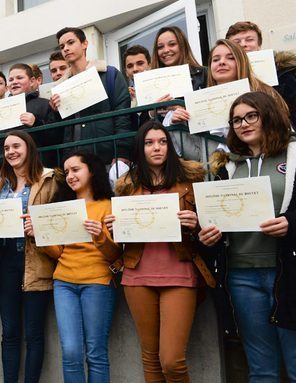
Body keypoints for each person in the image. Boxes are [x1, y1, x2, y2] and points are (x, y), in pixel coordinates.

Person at [201, 91, 296, 382]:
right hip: (241, 275)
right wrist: (208, 235)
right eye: (236, 120)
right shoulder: (226, 167)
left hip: (288, 272)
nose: (243, 124)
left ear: (268, 114)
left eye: (251, 116)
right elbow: (217, 217)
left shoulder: (293, 153)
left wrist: (291, 223)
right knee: (261, 370)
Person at [111, 121, 215, 382]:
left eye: (162, 141)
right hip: (137, 274)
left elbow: (211, 227)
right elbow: (119, 238)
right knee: (151, 358)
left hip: (179, 272)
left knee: (172, 361)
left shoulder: (190, 179)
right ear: (140, 148)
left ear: (169, 145)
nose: (156, 147)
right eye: (149, 143)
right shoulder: (126, 186)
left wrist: (195, 222)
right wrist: (114, 227)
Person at [0, 130, 61, 383]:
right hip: (7, 260)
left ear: (29, 148)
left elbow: (57, 221)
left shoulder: (48, 179)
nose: (10, 151)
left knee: (34, 333)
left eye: (16, 146)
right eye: (6, 148)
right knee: (9, 332)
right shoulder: (0, 181)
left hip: (36, 260)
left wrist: (39, 227)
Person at [26, 151, 121, 383]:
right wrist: (41, 237)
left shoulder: (108, 206)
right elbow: (59, 253)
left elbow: (114, 255)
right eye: (66, 172)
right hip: (64, 282)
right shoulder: (63, 207)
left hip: (98, 282)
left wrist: (100, 236)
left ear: (92, 170)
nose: (70, 176)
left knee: (95, 352)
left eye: (75, 169)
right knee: (70, 352)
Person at [51, 27, 132, 168]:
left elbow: (122, 116)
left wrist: (121, 153)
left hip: (108, 159)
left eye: (71, 43)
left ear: (84, 44)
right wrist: (55, 111)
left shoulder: (110, 75)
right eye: (62, 46)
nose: (66, 49)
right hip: (75, 162)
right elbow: (65, 130)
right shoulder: (60, 88)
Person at [151, 26, 208, 161]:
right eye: (160, 47)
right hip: (165, 152)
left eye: (172, 44)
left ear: (182, 46)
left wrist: (182, 109)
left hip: (197, 147)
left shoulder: (204, 74)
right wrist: (152, 112)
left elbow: (211, 109)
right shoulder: (151, 81)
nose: (166, 50)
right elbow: (144, 126)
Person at [226, 21, 296, 126]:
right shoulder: (224, 79)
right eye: (237, 42)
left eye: (249, 40)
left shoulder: (286, 73)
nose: (243, 44)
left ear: (259, 45)